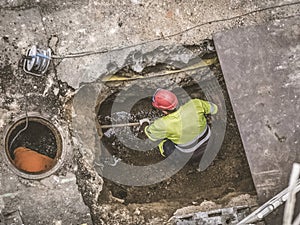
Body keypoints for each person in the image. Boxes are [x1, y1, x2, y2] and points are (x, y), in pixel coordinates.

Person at [140, 88, 218, 160]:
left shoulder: (162, 125)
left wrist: (144, 123)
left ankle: (180, 160)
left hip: (191, 156)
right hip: (211, 142)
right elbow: (214, 109)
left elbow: (149, 134)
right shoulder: (195, 104)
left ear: (164, 111)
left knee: (165, 145)